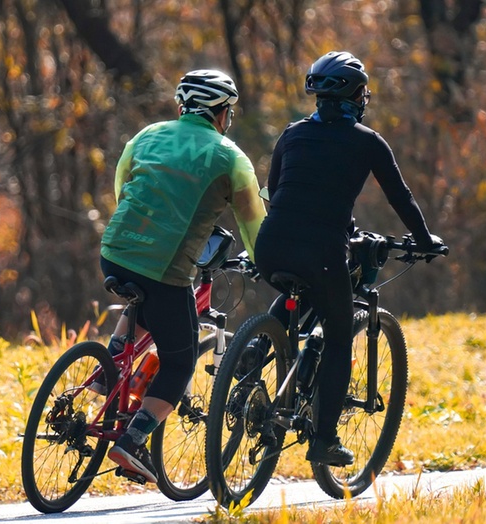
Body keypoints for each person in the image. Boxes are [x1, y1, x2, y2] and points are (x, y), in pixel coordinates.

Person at [253, 51, 445, 466]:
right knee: (339, 336)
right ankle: (324, 440)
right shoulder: (366, 141)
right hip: (322, 252)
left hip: (270, 245)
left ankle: (253, 357)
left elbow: (276, 190)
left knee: (294, 293)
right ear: (357, 96)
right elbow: (401, 197)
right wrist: (425, 240)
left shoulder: (291, 134)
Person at [99, 69, 266, 482]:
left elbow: (124, 186)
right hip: (165, 267)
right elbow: (252, 221)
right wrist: (265, 259)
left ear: (181, 105)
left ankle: (103, 376)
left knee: (144, 306)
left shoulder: (148, 135)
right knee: (181, 361)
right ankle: (131, 441)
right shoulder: (230, 157)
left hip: (114, 251)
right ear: (222, 113)